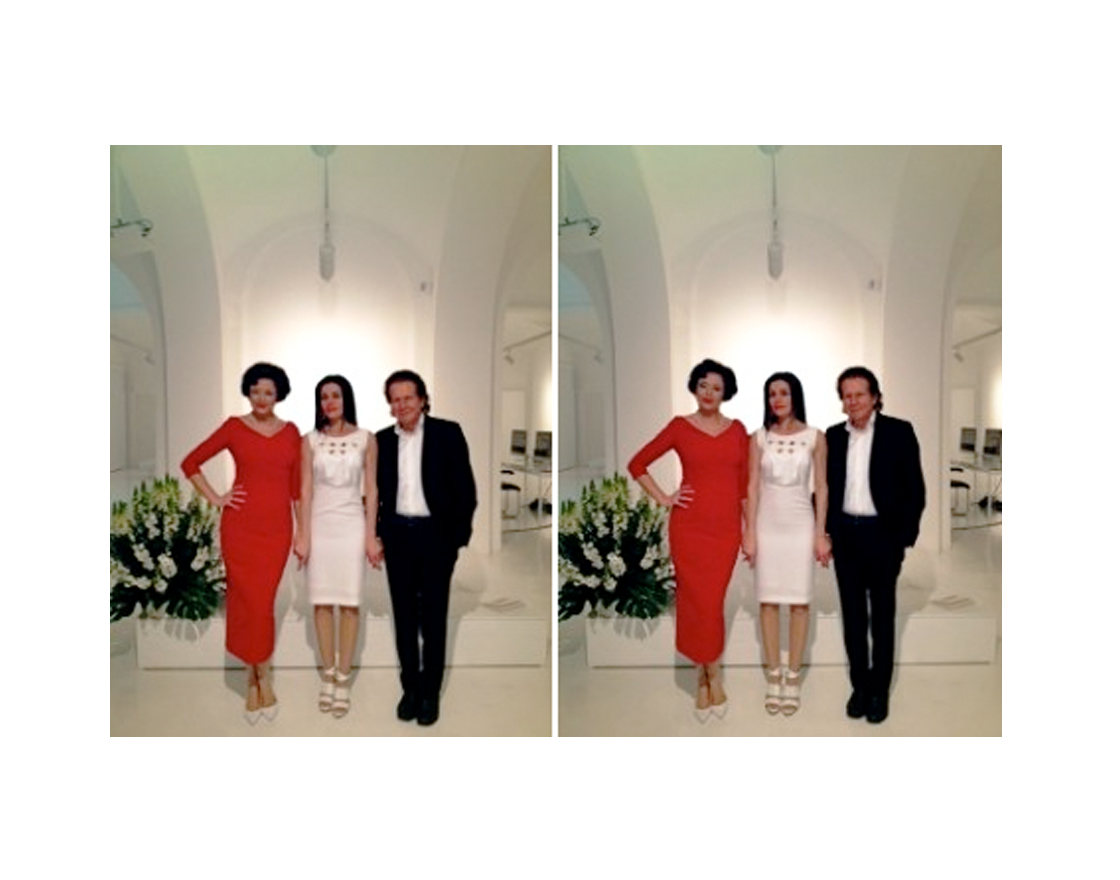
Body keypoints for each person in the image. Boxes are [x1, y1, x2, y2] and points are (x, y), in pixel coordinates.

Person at [628, 358, 750, 721]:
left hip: (726, 531)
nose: (709, 392)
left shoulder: (738, 431)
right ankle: (706, 678)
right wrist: (665, 497)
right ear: (694, 388)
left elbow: (744, 486)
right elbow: (637, 464)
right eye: (703, 385)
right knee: (695, 602)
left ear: (726, 392)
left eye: (717, 387)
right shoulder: (680, 427)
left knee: (712, 603)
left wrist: (749, 530)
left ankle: (709, 672)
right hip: (689, 529)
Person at [181, 362, 302, 723]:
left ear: (278, 394)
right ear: (247, 392)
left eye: (268, 392)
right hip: (240, 529)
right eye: (255, 390)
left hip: (277, 531)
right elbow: (190, 462)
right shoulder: (234, 427)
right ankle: (256, 679)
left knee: (263, 604)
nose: (261, 398)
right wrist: (217, 497)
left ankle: (259, 673)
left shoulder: (291, 433)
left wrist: (303, 531)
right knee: (246, 602)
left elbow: (296, 488)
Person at [375, 370, 476, 726]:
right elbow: (374, 493)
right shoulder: (381, 441)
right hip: (398, 537)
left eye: (408, 397)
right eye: (395, 399)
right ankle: (411, 688)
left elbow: (466, 491)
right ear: (390, 405)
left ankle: (430, 692)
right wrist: (378, 534)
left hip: (435, 538)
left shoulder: (447, 433)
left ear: (422, 400)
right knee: (403, 617)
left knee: (433, 617)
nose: (402, 404)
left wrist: (455, 541)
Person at [825, 366, 925, 724]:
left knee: (882, 618)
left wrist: (901, 540)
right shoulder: (833, 436)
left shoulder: (899, 432)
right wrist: (825, 532)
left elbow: (915, 491)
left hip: (882, 538)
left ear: (875, 397)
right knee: (853, 618)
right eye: (847, 395)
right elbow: (824, 489)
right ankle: (860, 687)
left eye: (859, 394)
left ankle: (880, 690)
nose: (853, 401)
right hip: (846, 538)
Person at [293, 375, 383, 719]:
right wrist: (303, 534)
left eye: (336, 395)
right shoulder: (309, 440)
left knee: (348, 603)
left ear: (347, 400)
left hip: (351, 526)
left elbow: (372, 491)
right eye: (323, 397)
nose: (329, 402)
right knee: (320, 603)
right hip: (320, 525)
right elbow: (305, 490)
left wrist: (371, 536)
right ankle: (327, 675)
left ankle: (343, 678)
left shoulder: (366, 439)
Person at [742, 372, 830, 716]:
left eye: (784, 393)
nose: (777, 399)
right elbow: (752, 487)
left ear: (796, 397)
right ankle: (773, 674)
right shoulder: (758, 438)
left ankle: (793, 675)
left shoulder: (815, 437)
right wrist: (750, 531)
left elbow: (821, 486)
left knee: (799, 603)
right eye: (772, 394)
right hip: (767, 524)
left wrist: (820, 533)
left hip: (799, 523)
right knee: (767, 602)